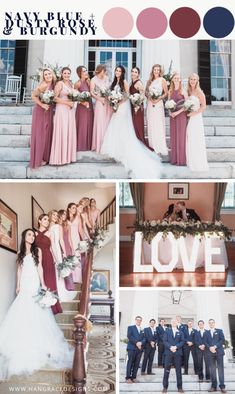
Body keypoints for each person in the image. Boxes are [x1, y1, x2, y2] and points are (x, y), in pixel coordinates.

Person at [0, 229, 72, 380]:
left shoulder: (37, 250)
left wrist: (43, 284)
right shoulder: (20, 254)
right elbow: (19, 270)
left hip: (34, 283)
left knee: (35, 309)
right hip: (24, 283)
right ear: (24, 237)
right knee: (22, 309)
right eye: (29, 235)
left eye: (33, 235)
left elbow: (40, 268)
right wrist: (18, 285)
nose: (32, 237)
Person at [100, 65, 162, 179]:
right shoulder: (114, 82)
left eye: (120, 70)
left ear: (123, 72)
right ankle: (116, 148)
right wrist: (113, 101)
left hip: (123, 107)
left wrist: (119, 103)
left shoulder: (125, 82)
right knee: (115, 127)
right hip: (116, 107)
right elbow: (110, 94)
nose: (118, 72)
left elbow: (128, 95)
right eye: (116, 70)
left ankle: (123, 148)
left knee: (122, 126)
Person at [35, 214, 62, 314]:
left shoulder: (50, 233)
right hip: (37, 258)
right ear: (39, 220)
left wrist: (57, 260)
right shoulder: (34, 233)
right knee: (38, 279)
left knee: (49, 280)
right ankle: (38, 302)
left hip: (47, 257)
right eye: (45, 219)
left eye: (47, 220)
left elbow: (53, 248)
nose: (47, 221)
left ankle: (51, 305)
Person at [49, 67, 77, 166]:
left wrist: (73, 102)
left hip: (70, 111)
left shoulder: (71, 84)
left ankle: (67, 157)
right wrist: (67, 103)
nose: (67, 75)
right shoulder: (59, 84)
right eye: (65, 73)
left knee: (69, 131)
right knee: (62, 131)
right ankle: (59, 158)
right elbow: (54, 98)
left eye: (68, 73)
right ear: (61, 74)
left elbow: (73, 96)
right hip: (61, 110)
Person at [29, 68, 56, 169]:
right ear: (43, 76)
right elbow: (33, 96)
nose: (48, 76)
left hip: (48, 111)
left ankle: (45, 157)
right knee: (41, 134)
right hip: (41, 111)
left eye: (49, 74)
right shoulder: (43, 85)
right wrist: (42, 105)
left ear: (52, 74)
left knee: (47, 133)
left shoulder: (53, 84)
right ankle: (38, 159)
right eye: (46, 75)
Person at [186, 73, 209, 172]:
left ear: (197, 81)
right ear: (189, 80)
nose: (192, 81)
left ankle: (197, 162)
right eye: (191, 79)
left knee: (196, 138)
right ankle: (190, 160)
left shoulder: (200, 92)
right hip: (190, 117)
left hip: (196, 118)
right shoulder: (188, 91)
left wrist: (194, 113)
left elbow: (203, 106)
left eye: (194, 79)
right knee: (190, 136)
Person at [146, 64, 168, 156]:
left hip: (158, 104)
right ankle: (153, 146)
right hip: (150, 104)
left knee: (158, 124)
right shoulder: (149, 81)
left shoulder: (162, 80)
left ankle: (159, 147)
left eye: (158, 70)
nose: (156, 71)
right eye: (155, 69)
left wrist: (158, 99)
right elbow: (146, 93)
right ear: (153, 70)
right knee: (151, 124)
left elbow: (165, 93)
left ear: (160, 71)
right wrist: (150, 98)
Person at [91, 64, 112, 153]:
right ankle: (99, 144)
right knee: (100, 122)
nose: (105, 73)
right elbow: (92, 92)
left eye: (105, 71)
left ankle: (107, 144)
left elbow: (109, 89)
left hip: (107, 103)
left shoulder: (106, 78)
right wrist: (100, 99)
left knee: (107, 122)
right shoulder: (93, 79)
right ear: (99, 71)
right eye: (103, 71)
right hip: (100, 103)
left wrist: (109, 96)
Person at [168, 72, 187, 166]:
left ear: (180, 79)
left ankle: (181, 160)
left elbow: (187, 105)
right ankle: (174, 159)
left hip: (181, 116)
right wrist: (170, 112)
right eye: (174, 78)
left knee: (181, 137)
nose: (176, 79)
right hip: (172, 117)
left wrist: (177, 112)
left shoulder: (183, 90)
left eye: (178, 78)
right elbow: (168, 104)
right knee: (174, 137)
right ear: (172, 79)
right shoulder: (170, 91)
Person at [162, 318, 185, 393]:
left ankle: (180, 387)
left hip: (177, 354)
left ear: (177, 323)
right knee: (166, 370)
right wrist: (171, 347)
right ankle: (165, 387)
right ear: (171, 323)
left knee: (178, 371)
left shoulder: (180, 332)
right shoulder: (167, 331)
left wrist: (176, 347)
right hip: (168, 353)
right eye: (173, 322)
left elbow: (182, 341)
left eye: (175, 322)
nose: (174, 323)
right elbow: (164, 341)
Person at [74, 65, 94, 151]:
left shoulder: (88, 82)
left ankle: (89, 145)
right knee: (82, 125)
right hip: (82, 107)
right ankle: (81, 145)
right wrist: (83, 103)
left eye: (86, 70)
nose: (86, 72)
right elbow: (74, 96)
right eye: (84, 71)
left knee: (89, 123)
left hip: (89, 106)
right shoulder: (77, 83)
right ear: (80, 73)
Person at [129, 67, 149, 148]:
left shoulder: (138, 83)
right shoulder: (132, 82)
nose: (133, 73)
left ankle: (140, 142)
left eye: (135, 72)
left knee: (137, 125)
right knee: (133, 125)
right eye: (132, 71)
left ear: (138, 74)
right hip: (132, 106)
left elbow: (143, 95)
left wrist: (137, 105)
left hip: (137, 108)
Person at [205, 319, 226, 393]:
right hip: (210, 353)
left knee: (220, 370)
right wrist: (210, 347)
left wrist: (215, 346)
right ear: (208, 324)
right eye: (210, 323)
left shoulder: (219, 331)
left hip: (219, 352)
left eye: (212, 323)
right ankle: (213, 386)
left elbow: (222, 340)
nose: (211, 324)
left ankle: (222, 387)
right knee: (212, 370)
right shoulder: (206, 332)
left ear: (214, 323)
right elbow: (205, 341)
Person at [57, 209, 75, 291]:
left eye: (65, 214)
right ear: (60, 215)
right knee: (60, 265)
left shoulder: (67, 225)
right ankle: (61, 286)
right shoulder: (56, 225)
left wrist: (72, 249)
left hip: (67, 246)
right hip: (57, 246)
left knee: (67, 266)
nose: (64, 216)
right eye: (63, 214)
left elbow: (69, 238)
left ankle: (70, 286)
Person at [126, 316, 145, 384]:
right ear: (135, 320)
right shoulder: (131, 327)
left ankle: (134, 377)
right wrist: (137, 343)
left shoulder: (142, 329)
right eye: (137, 320)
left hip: (139, 349)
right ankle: (128, 377)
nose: (139, 321)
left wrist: (141, 343)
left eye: (140, 320)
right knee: (130, 362)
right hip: (132, 348)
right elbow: (129, 336)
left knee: (137, 364)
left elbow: (144, 338)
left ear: (141, 321)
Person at [66, 203, 83, 284]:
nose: (74, 210)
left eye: (75, 208)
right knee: (69, 258)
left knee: (77, 257)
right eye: (73, 208)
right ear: (69, 209)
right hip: (68, 240)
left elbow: (80, 229)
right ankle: (70, 279)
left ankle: (78, 279)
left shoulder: (78, 217)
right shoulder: (65, 218)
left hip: (76, 239)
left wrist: (83, 240)